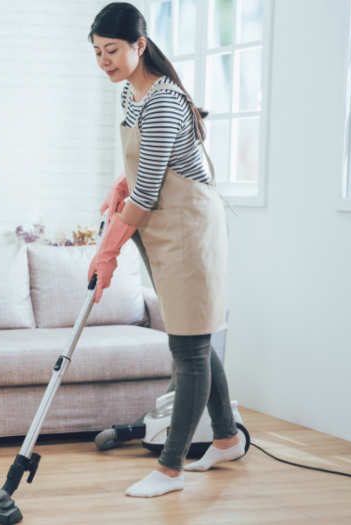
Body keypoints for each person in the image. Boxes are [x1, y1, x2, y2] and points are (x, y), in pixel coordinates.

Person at [88, 2, 246, 498]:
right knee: (190, 333)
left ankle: (171, 469)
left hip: (187, 229)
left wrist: (107, 250)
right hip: (160, 229)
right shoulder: (132, 99)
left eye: (111, 50)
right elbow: (151, 162)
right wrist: (120, 184)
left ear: (139, 44)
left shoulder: (162, 100)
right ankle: (225, 438)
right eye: (96, 52)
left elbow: (151, 190)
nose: (104, 61)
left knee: (188, 345)